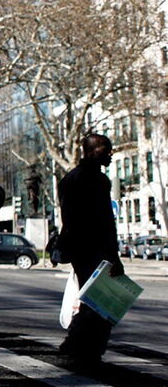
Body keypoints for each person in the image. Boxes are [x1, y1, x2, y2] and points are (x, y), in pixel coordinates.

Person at [57, 133, 124, 364]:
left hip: (78, 247)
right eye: (106, 149)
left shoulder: (69, 179)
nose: (110, 154)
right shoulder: (98, 181)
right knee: (101, 301)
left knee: (90, 298)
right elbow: (105, 222)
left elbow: (68, 218)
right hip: (95, 248)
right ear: (91, 151)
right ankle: (87, 349)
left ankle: (76, 343)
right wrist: (114, 256)